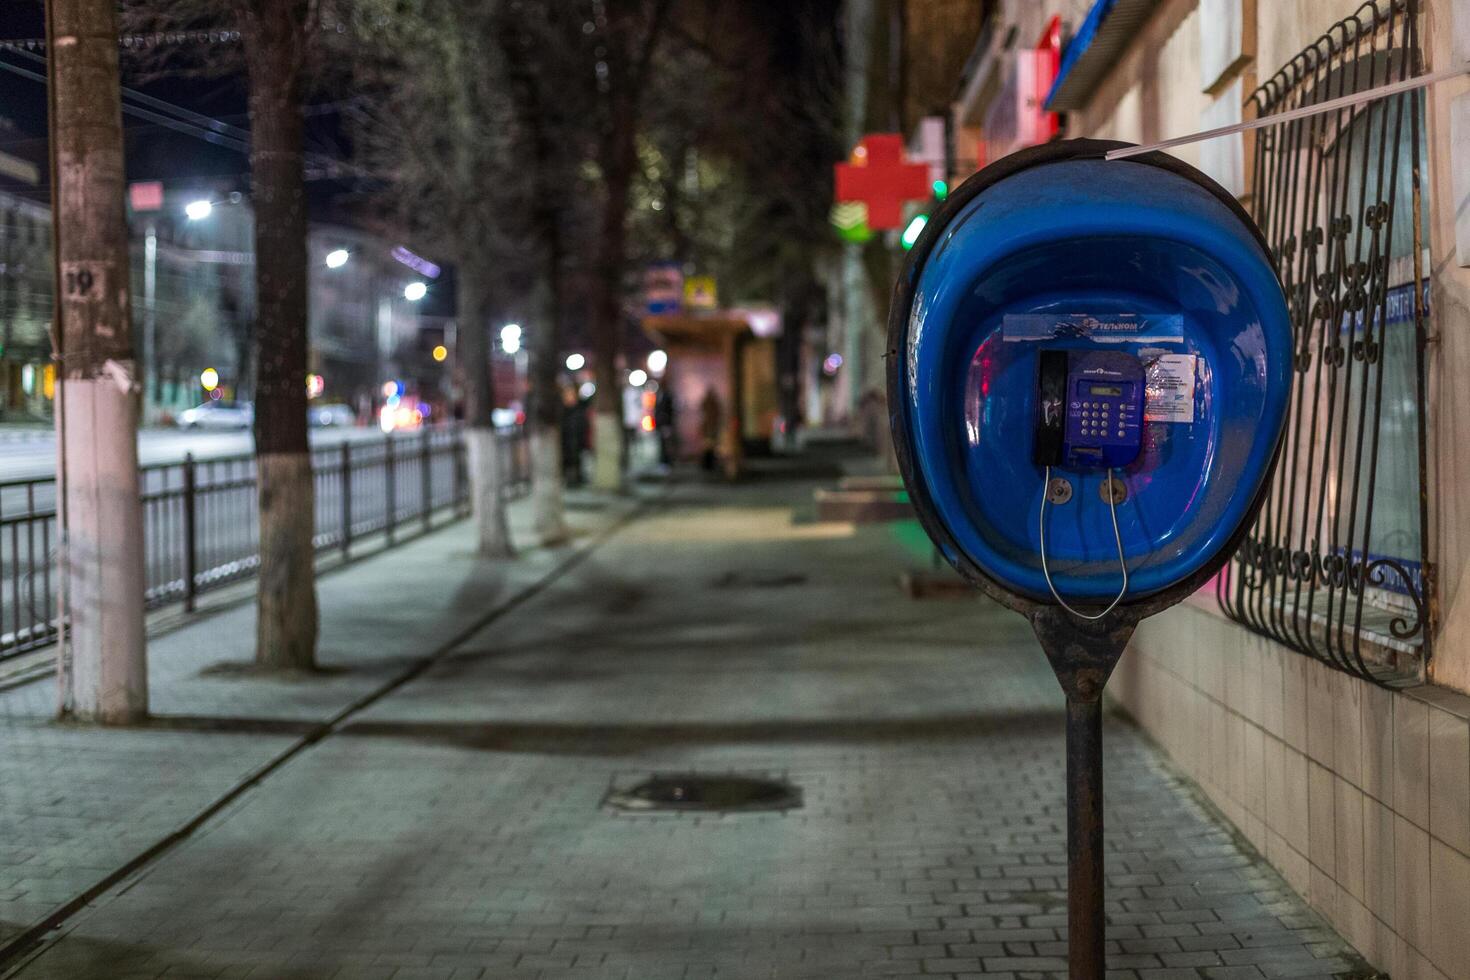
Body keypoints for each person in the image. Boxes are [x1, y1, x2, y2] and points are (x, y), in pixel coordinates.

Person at [560, 384, 587, 486]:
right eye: (567, 394)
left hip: (577, 440)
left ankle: (577, 479)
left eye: (571, 394)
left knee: (577, 459)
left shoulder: (580, 408)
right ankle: (568, 479)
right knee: (566, 461)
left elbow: (583, 425)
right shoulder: (561, 410)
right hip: (565, 441)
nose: (569, 396)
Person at [698, 387, 722, 472]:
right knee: (708, 446)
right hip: (709, 428)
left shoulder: (713, 404)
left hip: (711, 428)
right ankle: (708, 464)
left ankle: (709, 464)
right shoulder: (710, 404)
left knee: (711, 446)